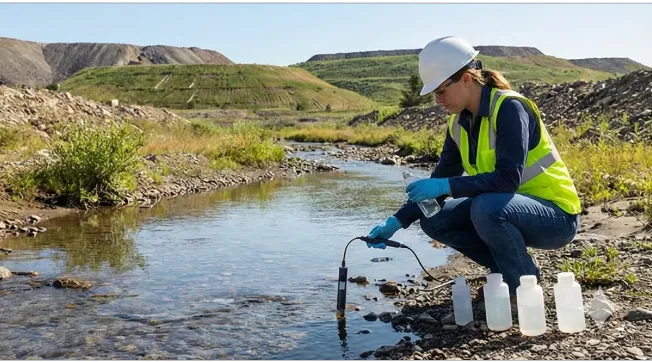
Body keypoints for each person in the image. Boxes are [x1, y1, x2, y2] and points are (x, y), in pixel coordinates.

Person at [366, 36, 582, 301]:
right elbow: (441, 180)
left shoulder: (510, 108)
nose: (438, 100)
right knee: (434, 218)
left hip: (555, 216)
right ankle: (504, 270)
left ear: (466, 78)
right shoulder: (457, 126)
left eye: (441, 91)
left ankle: (521, 285)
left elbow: (507, 180)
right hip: (507, 209)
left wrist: (446, 186)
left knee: (486, 207)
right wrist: (398, 221)